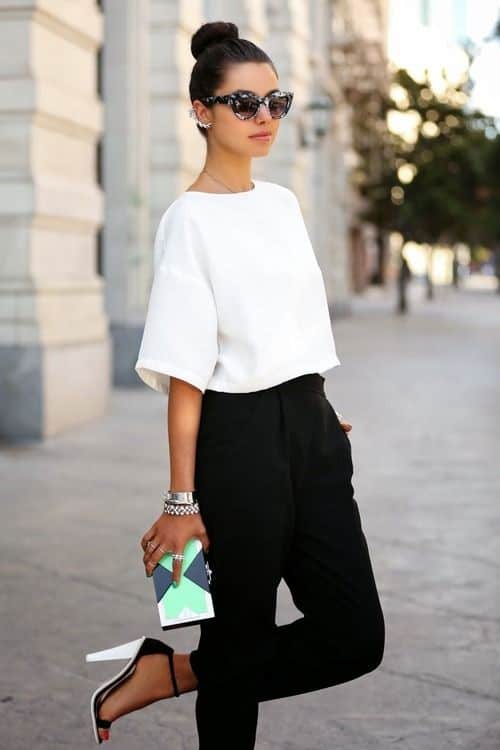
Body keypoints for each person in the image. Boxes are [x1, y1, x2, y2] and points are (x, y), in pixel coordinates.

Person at [86, 20, 385, 749]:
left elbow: (286, 323)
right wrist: (180, 503)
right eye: (243, 104)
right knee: (241, 636)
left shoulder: (282, 204)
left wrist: (312, 407)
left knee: (355, 634)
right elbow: (186, 371)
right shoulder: (188, 220)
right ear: (201, 111)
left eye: (275, 102)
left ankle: (175, 672)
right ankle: (194, 674)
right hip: (236, 444)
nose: (264, 119)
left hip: (311, 427)